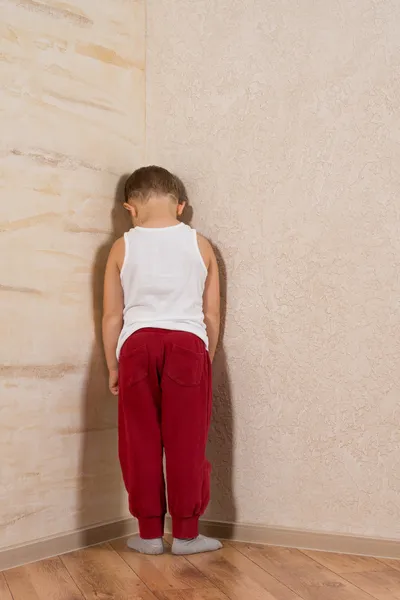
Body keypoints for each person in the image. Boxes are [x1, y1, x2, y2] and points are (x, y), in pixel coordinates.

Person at [102, 166, 222, 555]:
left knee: (140, 442)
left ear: (130, 209)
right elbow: (212, 314)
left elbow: (111, 317)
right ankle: (187, 534)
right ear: (181, 206)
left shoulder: (122, 247)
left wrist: (113, 365)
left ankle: (150, 535)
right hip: (188, 345)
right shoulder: (200, 245)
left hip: (137, 346)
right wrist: (208, 357)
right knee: (187, 442)